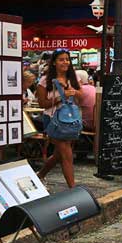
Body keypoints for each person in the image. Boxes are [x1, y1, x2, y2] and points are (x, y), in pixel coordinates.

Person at [36, 49, 83, 188]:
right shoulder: (45, 81)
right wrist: (60, 97)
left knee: (59, 153)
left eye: (67, 59)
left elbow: (81, 96)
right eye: (61, 59)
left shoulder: (73, 78)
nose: (65, 62)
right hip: (52, 119)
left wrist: (71, 90)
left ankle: (40, 175)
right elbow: (42, 104)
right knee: (66, 151)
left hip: (69, 119)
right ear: (54, 63)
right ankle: (73, 188)